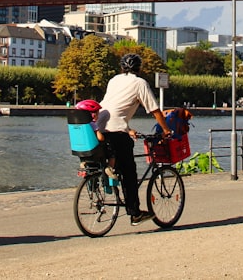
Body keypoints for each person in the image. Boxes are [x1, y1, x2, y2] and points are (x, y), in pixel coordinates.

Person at [99, 53, 172, 226]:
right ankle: (135, 213)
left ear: (122, 67)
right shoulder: (140, 83)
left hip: (100, 127)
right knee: (130, 173)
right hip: (117, 131)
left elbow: (115, 108)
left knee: (118, 159)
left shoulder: (114, 80)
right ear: (139, 68)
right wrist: (166, 130)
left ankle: (108, 171)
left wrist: (128, 129)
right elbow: (154, 110)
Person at [74, 99, 118, 180]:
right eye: (97, 113)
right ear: (92, 114)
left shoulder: (79, 125)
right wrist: (101, 134)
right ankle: (110, 168)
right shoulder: (92, 124)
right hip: (94, 150)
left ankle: (84, 163)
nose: (98, 115)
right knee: (111, 150)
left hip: (82, 151)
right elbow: (100, 138)